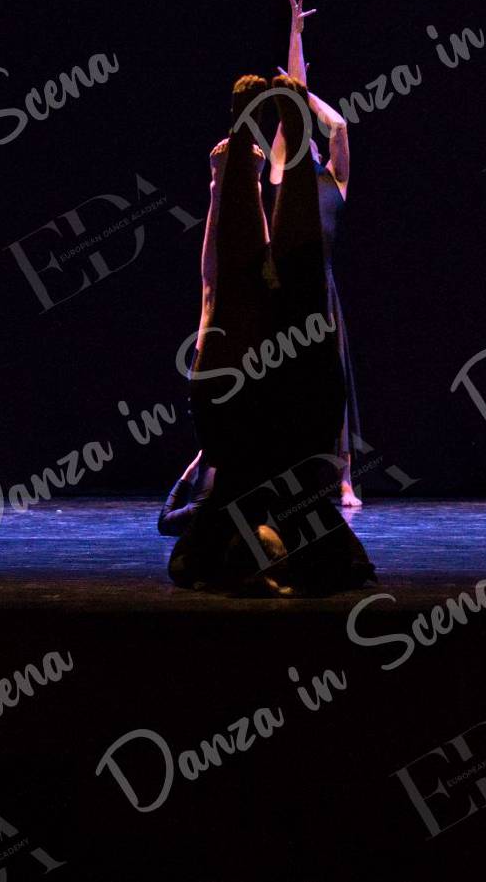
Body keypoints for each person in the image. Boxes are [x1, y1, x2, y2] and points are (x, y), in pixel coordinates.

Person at [172, 74, 374, 593]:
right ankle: (262, 140)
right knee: (295, 286)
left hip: (239, 414)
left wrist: (225, 180)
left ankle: (243, 147)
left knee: (228, 295)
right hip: (290, 410)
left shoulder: (219, 535)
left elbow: (215, 285)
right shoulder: (309, 531)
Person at [268, 0, 363, 508]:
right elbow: (290, 110)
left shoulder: (334, 181)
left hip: (322, 291)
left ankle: (343, 479)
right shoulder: (282, 177)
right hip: (287, 290)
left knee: (334, 381)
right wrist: (296, 38)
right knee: (285, 384)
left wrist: (306, 99)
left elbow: (339, 126)